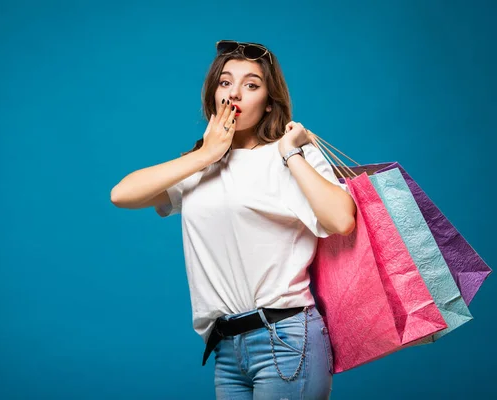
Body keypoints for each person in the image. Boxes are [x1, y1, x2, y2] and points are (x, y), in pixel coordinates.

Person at [111, 40, 356, 399]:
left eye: (251, 85)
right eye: (225, 83)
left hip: (284, 338)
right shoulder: (199, 164)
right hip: (226, 347)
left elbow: (340, 220)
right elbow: (122, 194)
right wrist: (207, 154)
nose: (234, 94)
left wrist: (291, 154)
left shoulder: (290, 156)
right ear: (213, 94)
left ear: (269, 101)